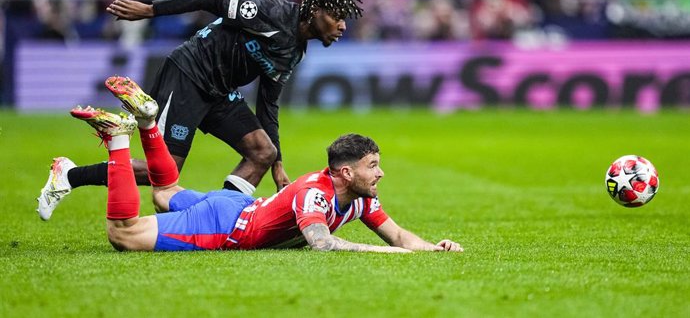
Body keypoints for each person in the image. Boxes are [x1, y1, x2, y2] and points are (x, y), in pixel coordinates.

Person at [36, 0, 364, 221]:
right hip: (189, 75)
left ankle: (222, 220)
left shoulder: (294, 51)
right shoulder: (272, 12)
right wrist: (152, 10)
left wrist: (278, 166)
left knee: (263, 152)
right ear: (318, 12)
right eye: (339, 17)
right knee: (160, 173)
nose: (343, 26)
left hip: (219, 91)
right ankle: (68, 175)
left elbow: (268, 104)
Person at [53, 77, 463, 253]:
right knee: (122, 235)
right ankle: (119, 139)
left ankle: (147, 123)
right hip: (225, 227)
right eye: (373, 165)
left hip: (238, 205)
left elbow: (398, 236)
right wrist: (403, 259)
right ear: (346, 173)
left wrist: (432, 249)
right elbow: (323, 243)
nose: (381, 173)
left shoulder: (358, 199)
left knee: (164, 191)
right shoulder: (314, 194)